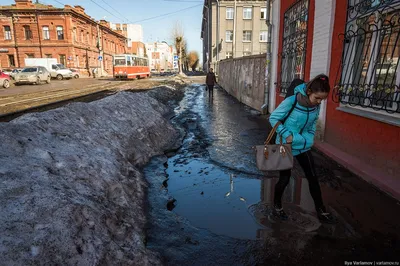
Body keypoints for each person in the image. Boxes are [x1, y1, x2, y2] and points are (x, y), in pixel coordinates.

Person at [269, 74, 336, 224]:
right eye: (317, 98)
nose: (319, 102)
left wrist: (310, 137)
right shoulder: (291, 101)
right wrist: (287, 134)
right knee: (285, 179)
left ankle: (321, 210)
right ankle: (277, 206)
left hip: (302, 145)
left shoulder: (315, 107)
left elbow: (312, 124)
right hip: (284, 145)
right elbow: (273, 118)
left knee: (313, 177)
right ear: (309, 91)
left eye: (322, 100)